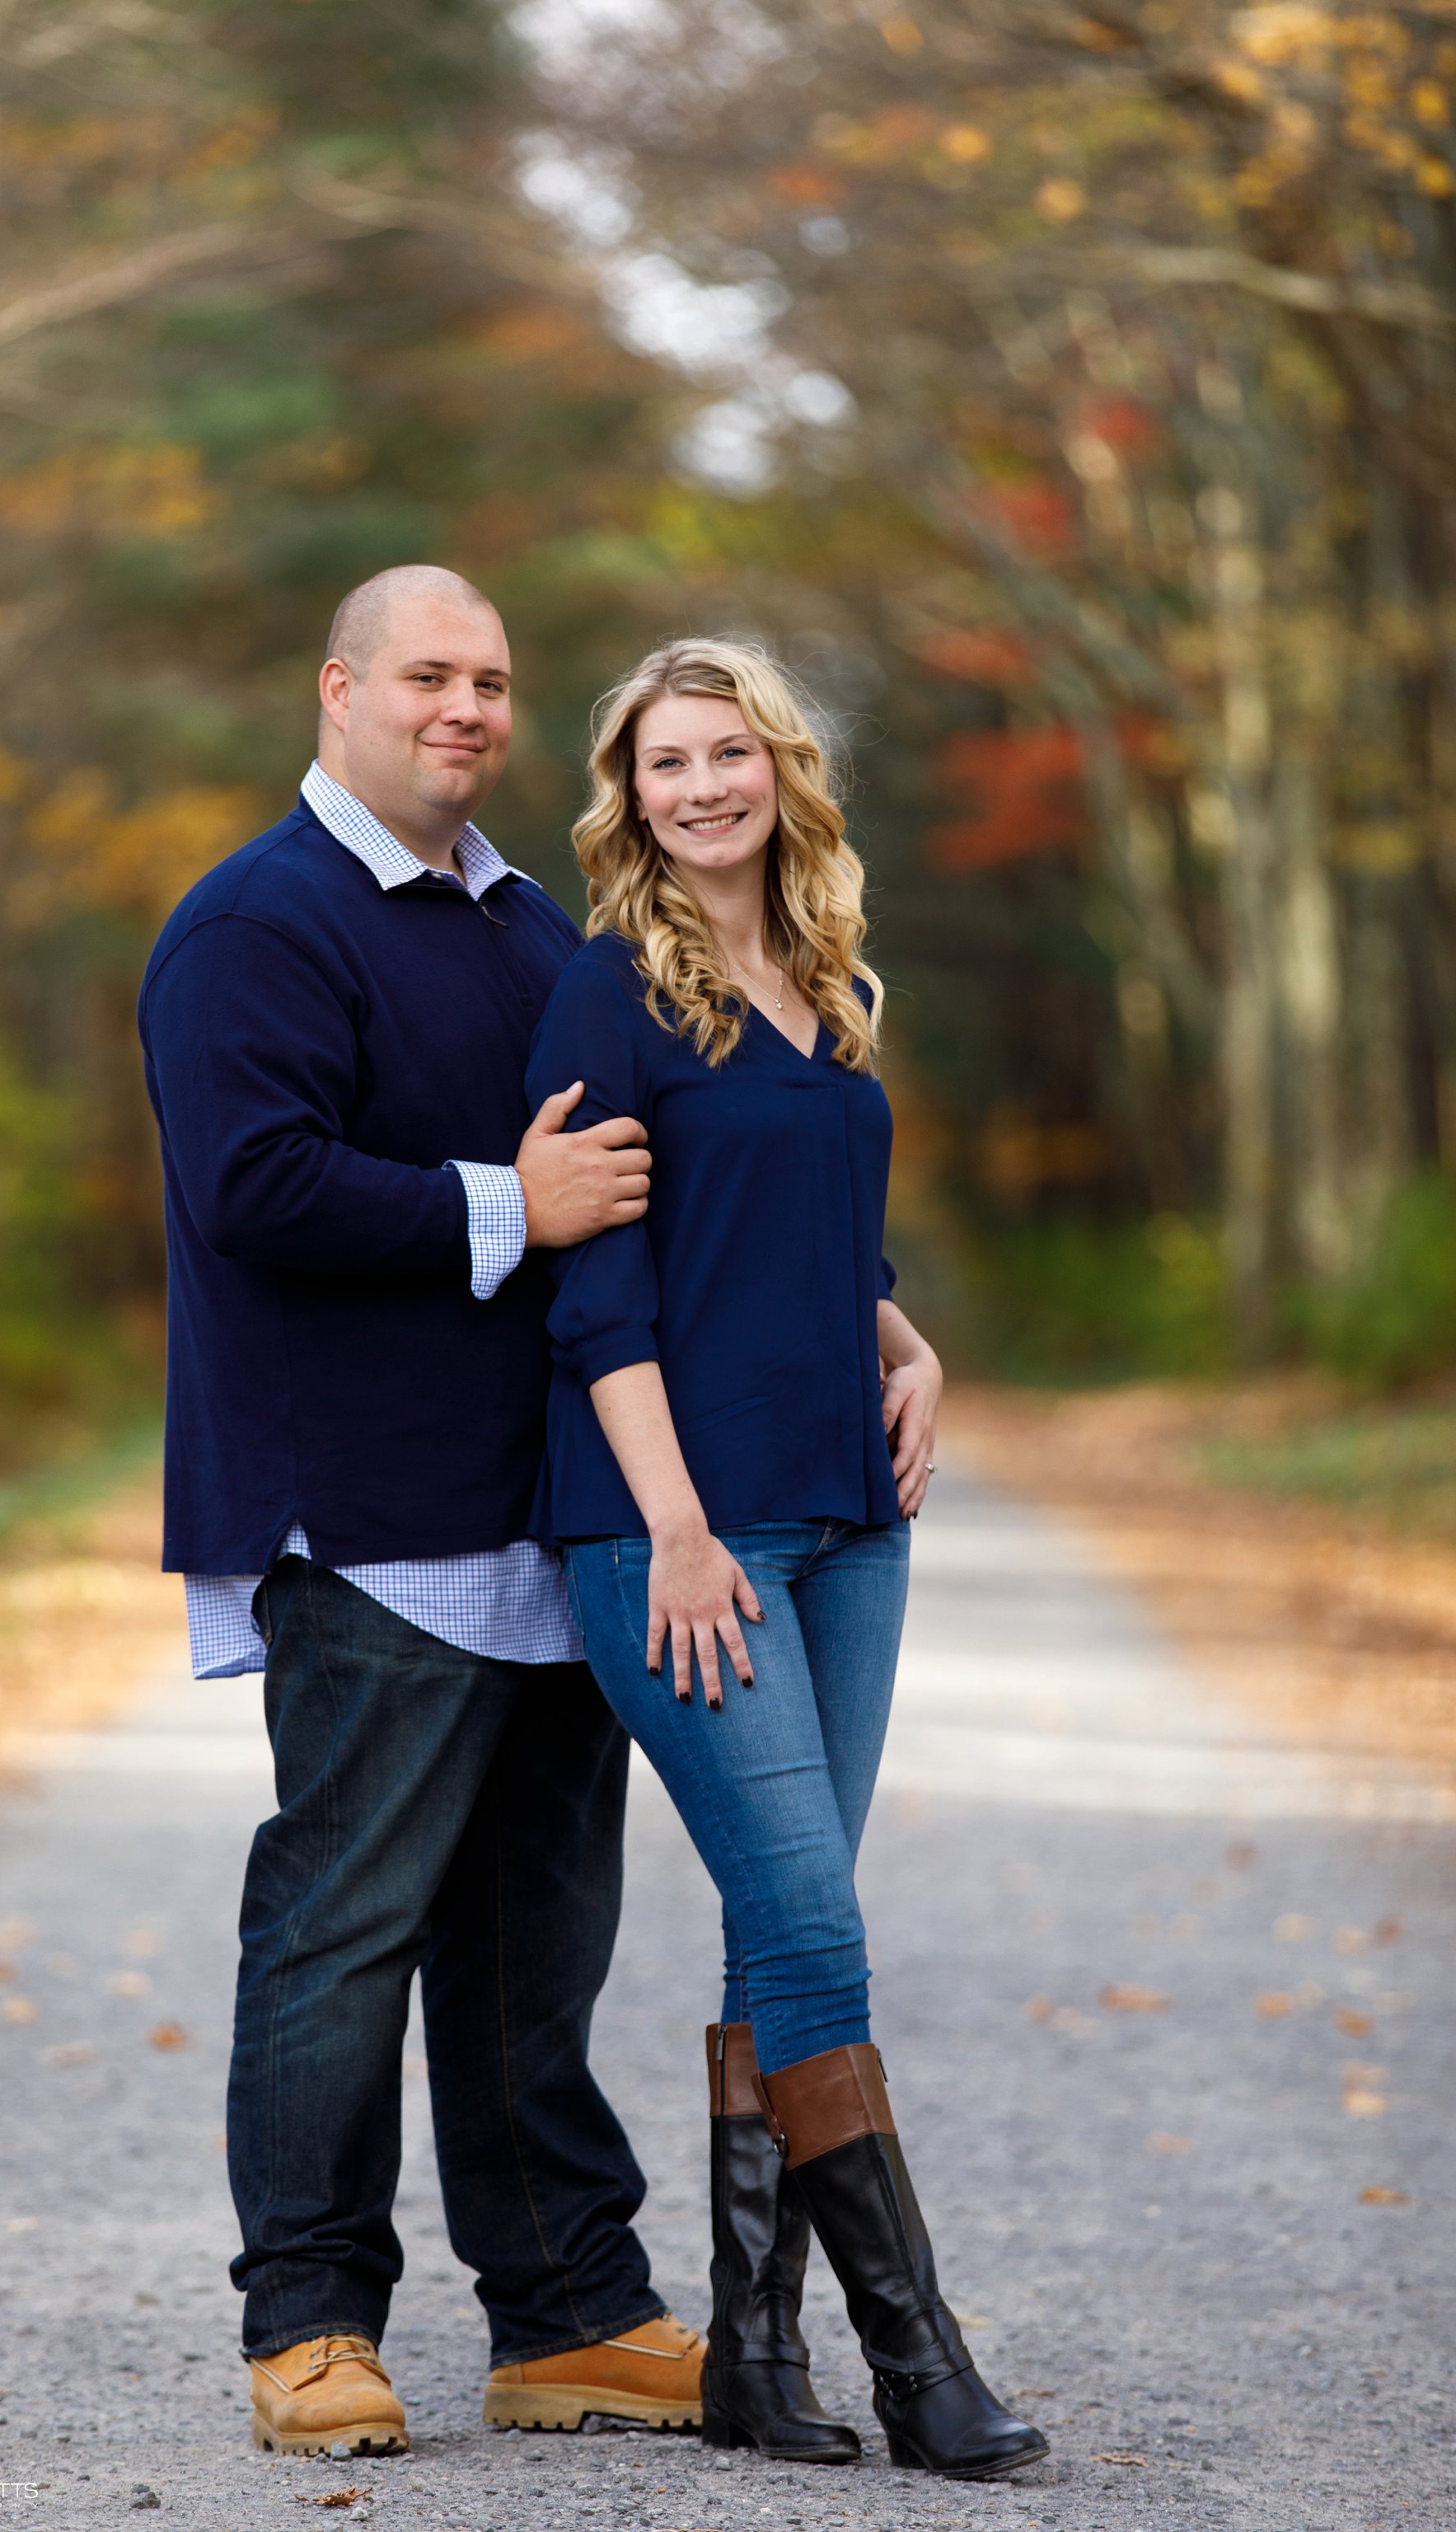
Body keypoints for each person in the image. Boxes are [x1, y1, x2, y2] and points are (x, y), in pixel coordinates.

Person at [138, 567, 704, 2459]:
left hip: (547, 1511)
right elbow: (255, 1185)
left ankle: (567, 2315)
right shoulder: (259, 922)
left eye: (493, 680)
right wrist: (506, 1206)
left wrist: (869, 1322)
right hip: (367, 1515)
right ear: (339, 689)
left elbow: (650, 1173)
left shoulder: (533, 926)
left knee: (537, 1943)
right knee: (341, 1933)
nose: (467, 707)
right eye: (428, 675)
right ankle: (307, 2325)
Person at [525, 638, 1050, 2483]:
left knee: (784, 1922)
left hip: (848, 1518)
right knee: (818, 1927)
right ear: (630, 797)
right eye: (664, 764)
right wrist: (672, 1528)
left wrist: (911, 1347)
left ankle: (753, 2354)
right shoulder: (606, 996)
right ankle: (921, 2365)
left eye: (726, 753)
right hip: (683, 1531)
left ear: (781, 771)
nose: (700, 788)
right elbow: (599, 1299)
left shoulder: (829, 980)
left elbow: (822, 1241)